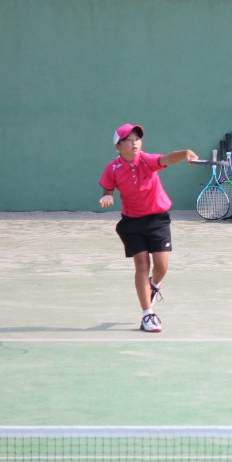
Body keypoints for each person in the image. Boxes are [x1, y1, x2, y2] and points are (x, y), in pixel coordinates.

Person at [98, 123, 198, 334]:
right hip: (132, 223)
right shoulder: (112, 168)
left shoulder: (147, 160)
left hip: (157, 220)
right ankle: (147, 314)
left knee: (161, 266)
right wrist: (108, 196)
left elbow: (167, 158)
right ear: (118, 146)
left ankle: (153, 284)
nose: (134, 143)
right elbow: (109, 188)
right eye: (129, 139)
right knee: (141, 264)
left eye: (137, 138)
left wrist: (186, 153)